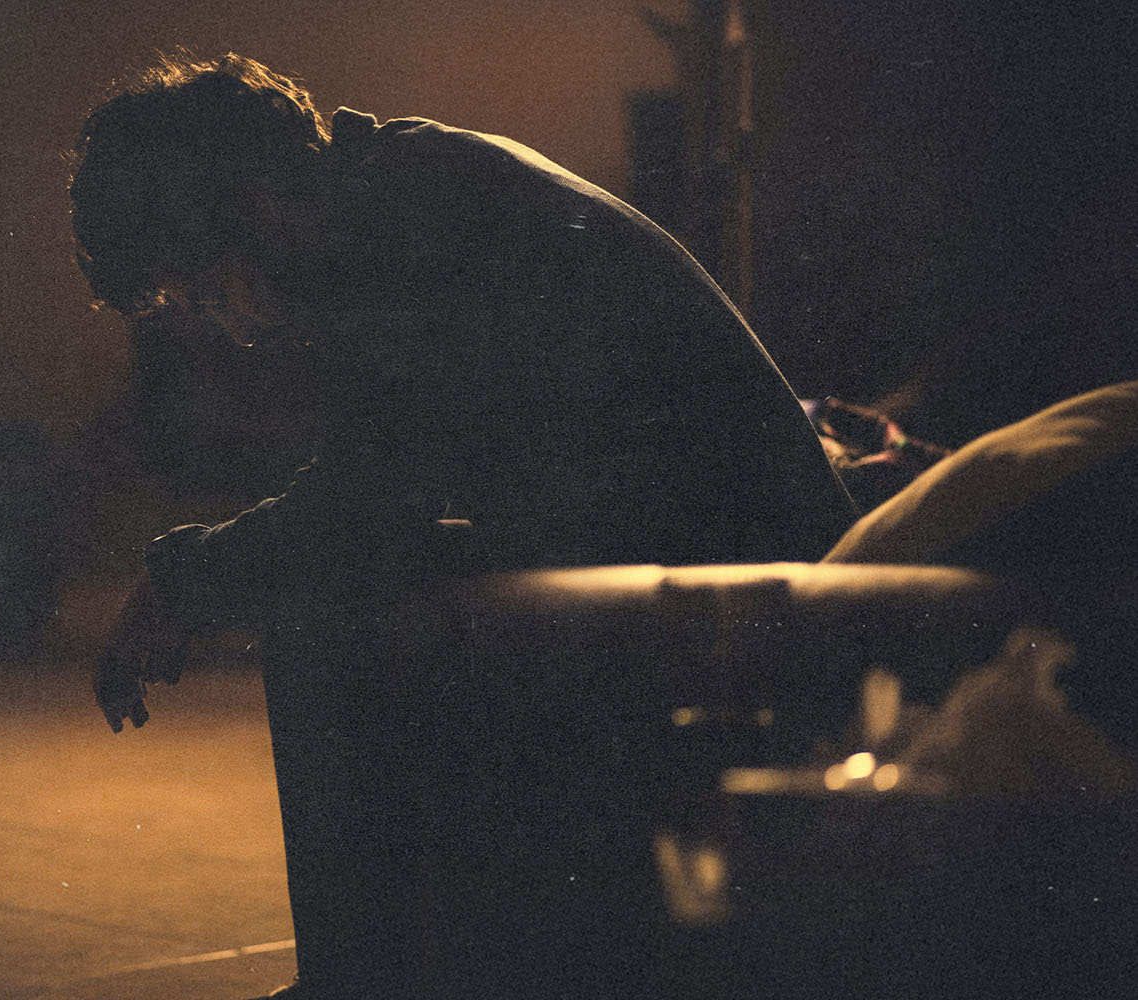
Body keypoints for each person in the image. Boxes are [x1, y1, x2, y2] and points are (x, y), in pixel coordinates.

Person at [69, 52, 858, 997]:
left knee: (336, 597)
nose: (224, 325)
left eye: (201, 288)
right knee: (364, 579)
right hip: (710, 562)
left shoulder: (408, 227)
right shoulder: (401, 183)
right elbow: (381, 480)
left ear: (255, 211)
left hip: (747, 601)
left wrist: (179, 579)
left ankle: (364, 976)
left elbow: (363, 503)